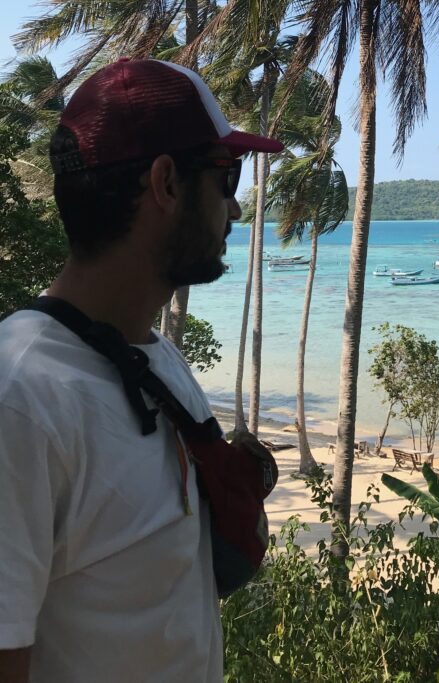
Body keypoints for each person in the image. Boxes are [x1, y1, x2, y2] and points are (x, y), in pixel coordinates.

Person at [0, 58, 283, 683]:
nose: (235, 209)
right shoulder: (22, 398)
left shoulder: (154, 357)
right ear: (167, 183)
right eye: (226, 176)